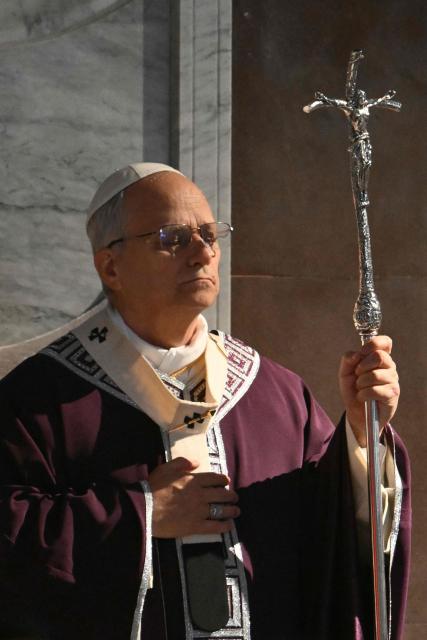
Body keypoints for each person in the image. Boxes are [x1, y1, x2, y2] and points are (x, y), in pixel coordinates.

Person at [0, 163, 410, 640]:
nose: (201, 252)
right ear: (110, 266)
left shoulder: (272, 392)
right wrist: (141, 516)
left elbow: (327, 540)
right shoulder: (40, 398)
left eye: (209, 234)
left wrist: (362, 438)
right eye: (171, 237)